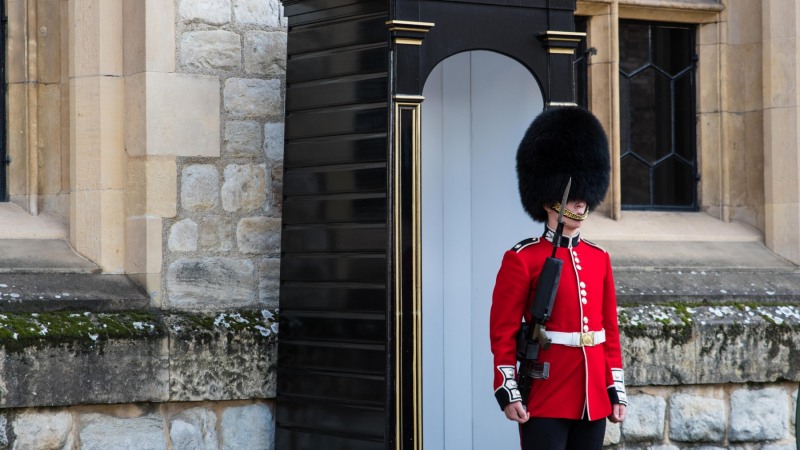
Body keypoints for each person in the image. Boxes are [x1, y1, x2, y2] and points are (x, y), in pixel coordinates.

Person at [489, 107, 627, 450]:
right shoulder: (523, 259)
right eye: (573, 197)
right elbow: (503, 332)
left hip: (593, 395)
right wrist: (508, 388)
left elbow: (608, 330)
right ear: (549, 198)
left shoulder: (599, 259)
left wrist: (615, 389)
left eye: (584, 198)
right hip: (547, 394)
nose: (580, 205)